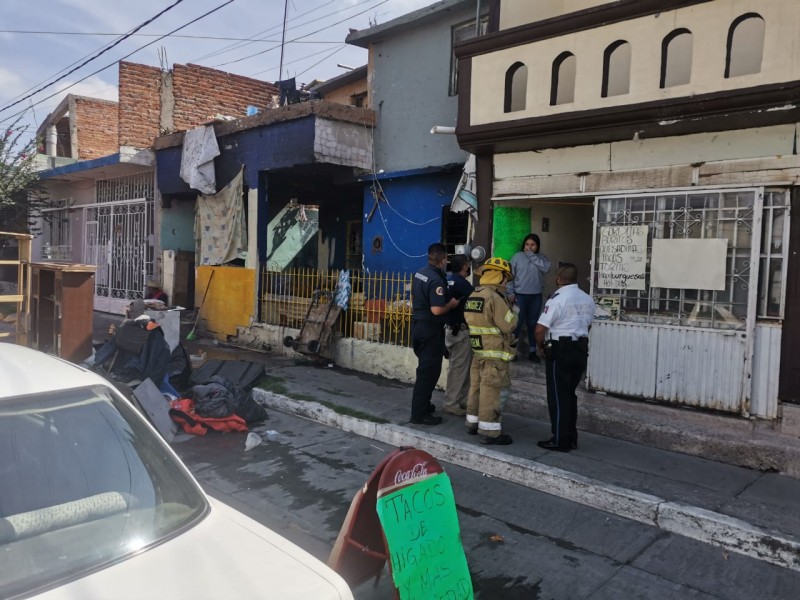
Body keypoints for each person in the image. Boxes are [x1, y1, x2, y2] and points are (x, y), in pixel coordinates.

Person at [534, 263, 594, 452]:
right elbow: (588, 324)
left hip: (560, 350)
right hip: (580, 349)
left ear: (559, 278)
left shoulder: (557, 299)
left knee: (558, 397)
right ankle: (571, 437)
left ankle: (560, 439)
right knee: (569, 395)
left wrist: (540, 346)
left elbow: (540, 329)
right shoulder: (587, 298)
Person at [463, 257, 518, 445]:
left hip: (479, 351)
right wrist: (514, 310)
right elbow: (509, 325)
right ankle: (490, 432)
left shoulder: (475, 294)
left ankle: (473, 423)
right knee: (492, 391)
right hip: (494, 354)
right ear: (499, 276)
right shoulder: (494, 297)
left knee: (476, 387)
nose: (506, 282)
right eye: (506, 278)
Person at [410, 243, 460, 425]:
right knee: (428, 373)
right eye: (446, 259)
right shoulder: (436, 280)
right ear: (443, 260)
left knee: (425, 369)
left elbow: (414, 298)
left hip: (418, 326)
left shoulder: (420, 273)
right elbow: (437, 310)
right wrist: (451, 304)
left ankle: (424, 405)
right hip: (430, 330)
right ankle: (419, 414)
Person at [506, 233, 551, 362]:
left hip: (535, 296)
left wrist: (531, 256)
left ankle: (532, 352)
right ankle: (512, 351)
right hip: (519, 296)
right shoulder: (517, 257)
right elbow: (510, 276)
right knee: (516, 323)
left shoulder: (542, 258)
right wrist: (510, 292)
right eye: (527, 244)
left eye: (533, 245)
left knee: (533, 324)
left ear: (538, 246)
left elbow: (546, 269)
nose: (529, 247)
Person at [442, 254, 474, 416]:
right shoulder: (464, 285)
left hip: (449, 329)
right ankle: (451, 403)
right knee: (458, 369)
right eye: (468, 265)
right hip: (460, 331)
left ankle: (462, 400)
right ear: (464, 267)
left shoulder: (447, 280)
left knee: (463, 367)